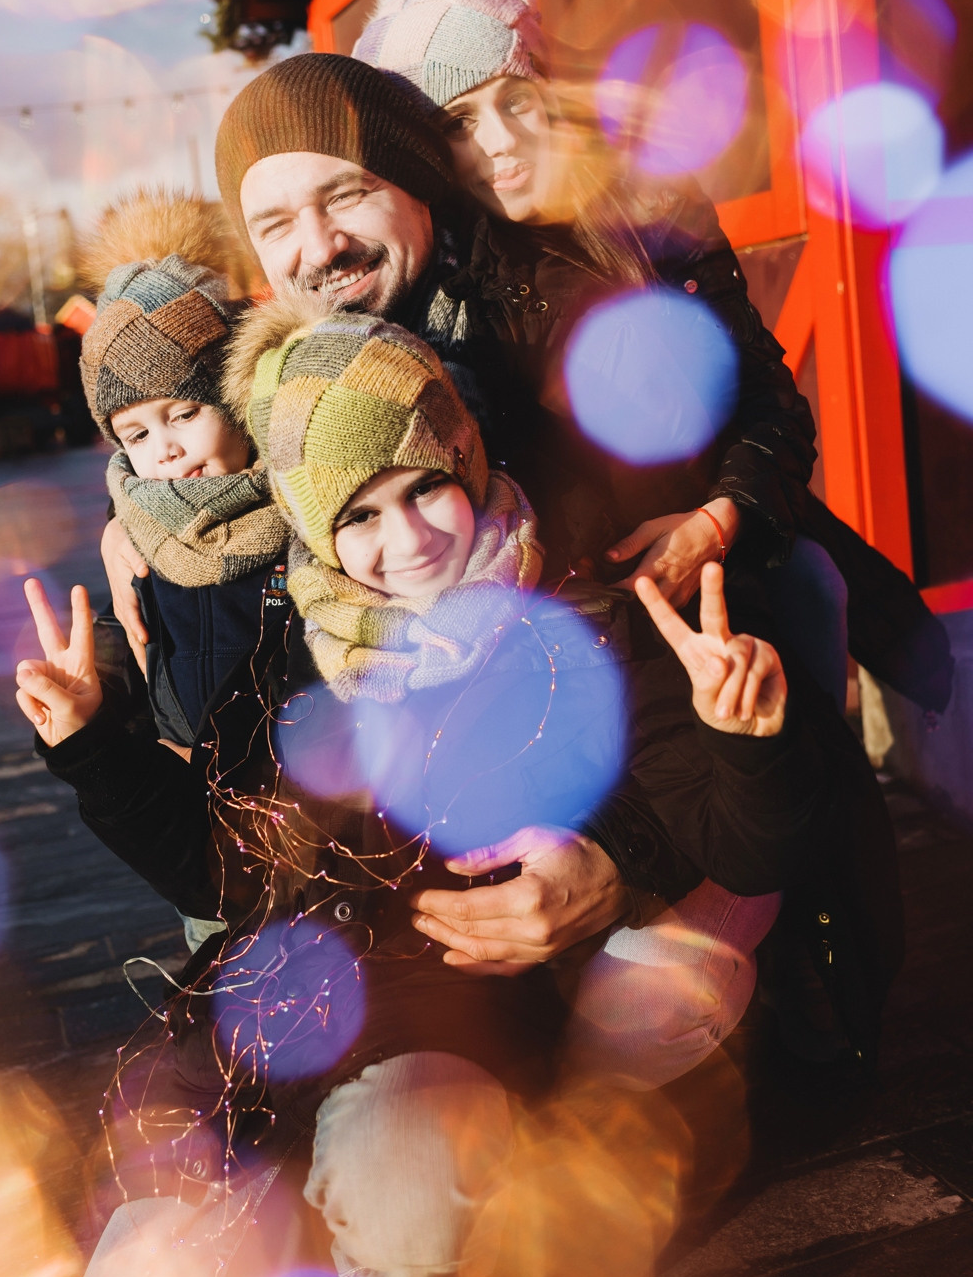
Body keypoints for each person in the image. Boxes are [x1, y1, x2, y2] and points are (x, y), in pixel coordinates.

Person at [91, 53, 900, 1055]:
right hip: (453, 828)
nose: (318, 245)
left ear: (417, 183)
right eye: (276, 222)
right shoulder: (293, 384)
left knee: (640, 1020)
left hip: (657, 771)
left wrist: (616, 860)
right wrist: (149, 523)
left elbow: (671, 673)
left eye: (346, 194)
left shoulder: (554, 340)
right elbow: (184, 451)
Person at [23, 303, 822, 1277]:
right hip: (270, 1035)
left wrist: (742, 741)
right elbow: (223, 875)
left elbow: (742, 848)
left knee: (405, 1184)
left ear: (467, 457)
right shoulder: (289, 653)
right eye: (357, 515)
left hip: (447, 1030)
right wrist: (93, 747)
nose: (404, 540)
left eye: (425, 488)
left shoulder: (588, 624)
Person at [352, 0, 954, 715]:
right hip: (587, 613)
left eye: (516, 100)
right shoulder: (445, 293)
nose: (501, 141)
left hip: (738, 541)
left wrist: (717, 522)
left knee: (812, 586)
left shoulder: (653, 204)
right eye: (458, 122)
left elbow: (766, 396)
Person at [20, 188, 289, 947]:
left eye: (184, 412)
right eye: (135, 433)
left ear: (236, 398)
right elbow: (144, 642)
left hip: (316, 829)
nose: (165, 450)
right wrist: (97, 692)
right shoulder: (142, 530)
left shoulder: (305, 506)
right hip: (199, 837)